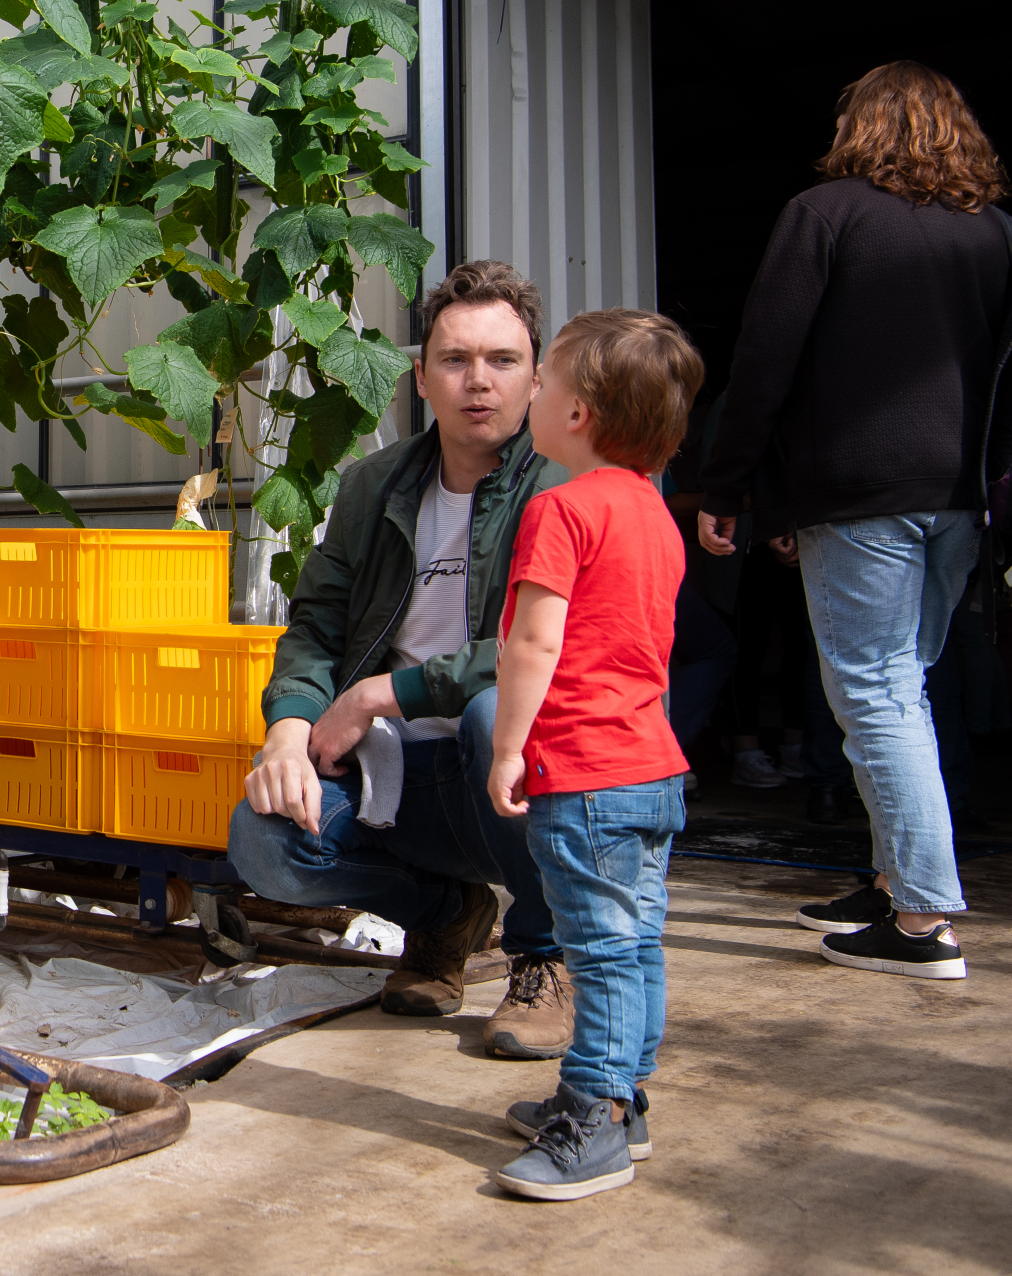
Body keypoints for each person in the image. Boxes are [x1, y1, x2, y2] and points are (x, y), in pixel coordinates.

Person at [698, 61, 1012, 980]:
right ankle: (887, 883)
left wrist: (730, 484)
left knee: (875, 694)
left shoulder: (825, 214)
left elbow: (766, 361)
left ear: (860, 128)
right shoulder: (994, 233)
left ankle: (921, 921)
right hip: (959, 497)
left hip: (859, 494)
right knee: (896, 691)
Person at [230, 260, 574, 1059]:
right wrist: (288, 728)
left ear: (537, 375)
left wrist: (387, 691)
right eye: (455, 361)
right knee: (262, 839)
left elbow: (551, 648)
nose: (477, 382)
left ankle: (544, 955)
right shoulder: (372, 486)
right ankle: (444, 913)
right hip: (400, 778)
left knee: (495, 715)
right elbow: (315, 624)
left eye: (502, 361)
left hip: (514, 778)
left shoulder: (563, 486)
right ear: (421, 378)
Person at [486, 308, 700, 1201]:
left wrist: (506, 746)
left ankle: (597, 1116)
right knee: (636, 939)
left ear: (577, 414)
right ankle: (626, 1096)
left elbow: (533, 644)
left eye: (544, 380)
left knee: (600, 953)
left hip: (587, 774)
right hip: (653, 765)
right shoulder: (654, 515)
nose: (530, 392)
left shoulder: (560, 509)